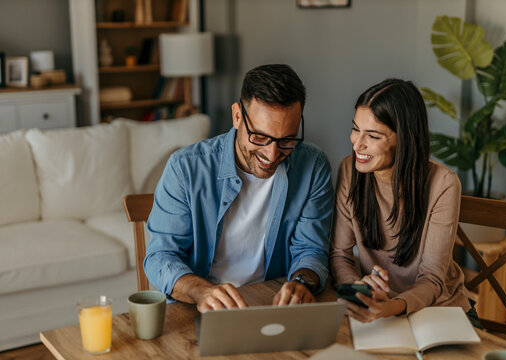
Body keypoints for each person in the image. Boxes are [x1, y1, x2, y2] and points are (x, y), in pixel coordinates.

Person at [144, 64, 334, 312]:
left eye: (287, 140)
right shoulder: (185, 168)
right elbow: (161, 257)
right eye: (260, 137)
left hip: (273, 304)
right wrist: (202, 292)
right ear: (236, 116)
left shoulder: (313, 166)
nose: (272, 153)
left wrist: (301, 282)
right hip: (197, 306)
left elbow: (311, 249)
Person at [330, 78, 481, 327]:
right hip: (377, 309)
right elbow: (340, 254)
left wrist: (392, 307)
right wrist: (355, 288)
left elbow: (432, 279)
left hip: (441, 310)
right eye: (356, 128)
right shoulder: (349, 170)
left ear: (404, 139)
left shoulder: (443, 184)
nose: (357, 143)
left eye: (374, 136)